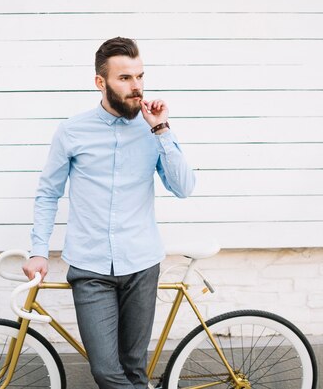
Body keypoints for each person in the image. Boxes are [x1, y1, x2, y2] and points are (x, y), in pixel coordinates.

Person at [23, 37, 195, 389]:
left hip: (141, 263)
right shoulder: (72, 131)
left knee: (134, 369)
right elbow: (48, 193)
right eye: (125, 78)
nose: (136, 87)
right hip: (90, 267)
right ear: (100, 82)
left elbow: (183, 187)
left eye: (140, 77)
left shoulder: (152, 129)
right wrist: (39, 249)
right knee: (105, 370)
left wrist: (161, 128)